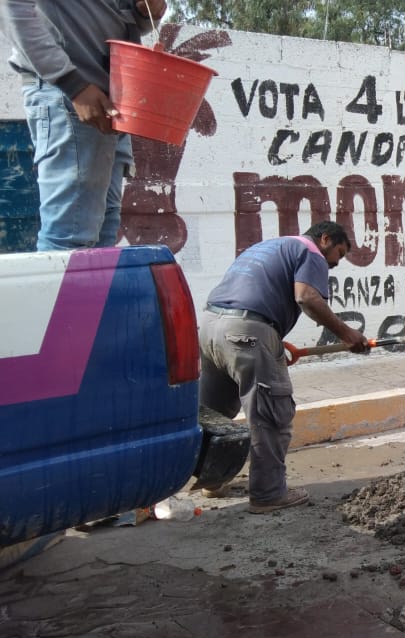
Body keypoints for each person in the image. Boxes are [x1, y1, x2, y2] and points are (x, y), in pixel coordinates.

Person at [199, 222, 369, 513]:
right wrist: (347, 334)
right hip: (248, 331)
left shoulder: (269, 246)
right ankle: (268, 494)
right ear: (325, 238)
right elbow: (306, 297)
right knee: (270, 414)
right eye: (337, 254)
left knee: (212, 414)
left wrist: (273, 338)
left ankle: (210, 480)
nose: (334, 264)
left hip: (211, 328)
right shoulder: (311, 252)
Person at [0, 0, 166, 251]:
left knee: (101, 234)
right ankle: (60, 292)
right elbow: (11, 7)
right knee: (70, 239)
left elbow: (123, 17)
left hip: (108, 101)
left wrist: (145, 12)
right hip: (72, 96)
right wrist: (72, 84)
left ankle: (88, 292)